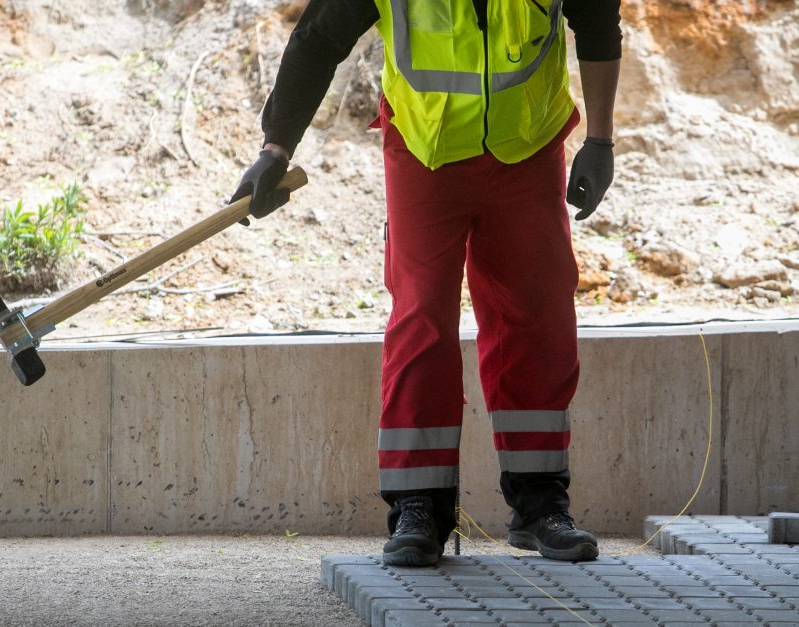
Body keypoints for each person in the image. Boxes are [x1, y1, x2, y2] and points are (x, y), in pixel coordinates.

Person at [231, 0, 621, 566]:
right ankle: (419, 507)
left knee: (538, 318)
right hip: (424, 150)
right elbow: (318, 38)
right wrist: (275, 148)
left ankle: (541, 504)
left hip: (528, 146)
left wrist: (601, 141)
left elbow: (598, 21)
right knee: (421, 319)